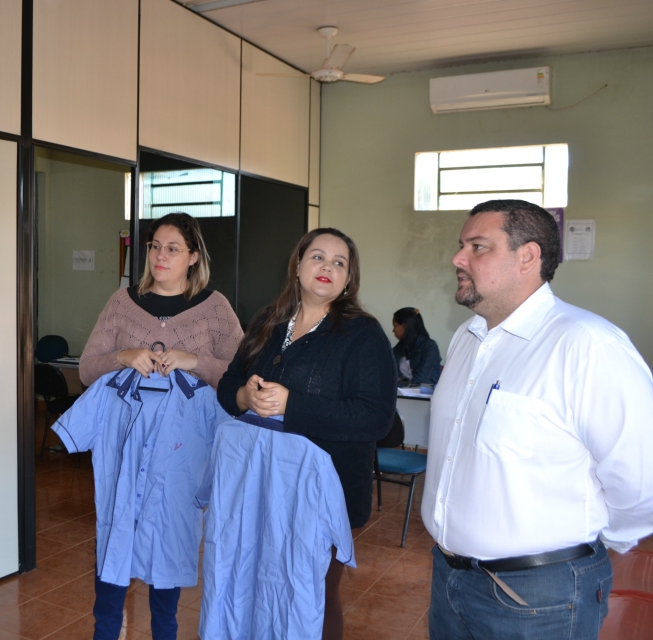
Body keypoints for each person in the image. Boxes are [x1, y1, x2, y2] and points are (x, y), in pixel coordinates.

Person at [421, 199, 653, 640]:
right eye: (461, 245)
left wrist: (580, 552)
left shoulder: (587, 346)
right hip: (450, 578)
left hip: (539, 595)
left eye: (478, 246)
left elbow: (644, 484)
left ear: (528, 257)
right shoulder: (467, 337)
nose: (458, 259)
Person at [217, 228, 398, 640]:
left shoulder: (362, 335)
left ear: (348, 279)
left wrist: (292, 404)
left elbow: (375, 419)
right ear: (297, 266)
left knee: (313, 594)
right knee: (259, 586)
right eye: (317, 257)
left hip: (323, 493)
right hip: (260, 486)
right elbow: (228, 388)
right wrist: (245, 394)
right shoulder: (267, 321)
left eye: (339, 263)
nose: (327, 268)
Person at [79, 212, 242, 640]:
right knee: (114, 548)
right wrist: (123, 355)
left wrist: (196, 361)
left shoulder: (215, 309)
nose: (160, 256)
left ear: (193, 257)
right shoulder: (122, 303)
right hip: (125, 453)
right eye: (155, 247)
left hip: (180, 457)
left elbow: (242, 378)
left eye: (173, 248)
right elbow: (85, 368)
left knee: (167, 551)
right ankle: (106, 630)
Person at [391, 307, 441, 386]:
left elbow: (421, 379)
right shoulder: (399, 348)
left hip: (424, 396)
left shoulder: (430, 347)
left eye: (395, 325)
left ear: (404, 326)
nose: (393, 330)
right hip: (404, 394)